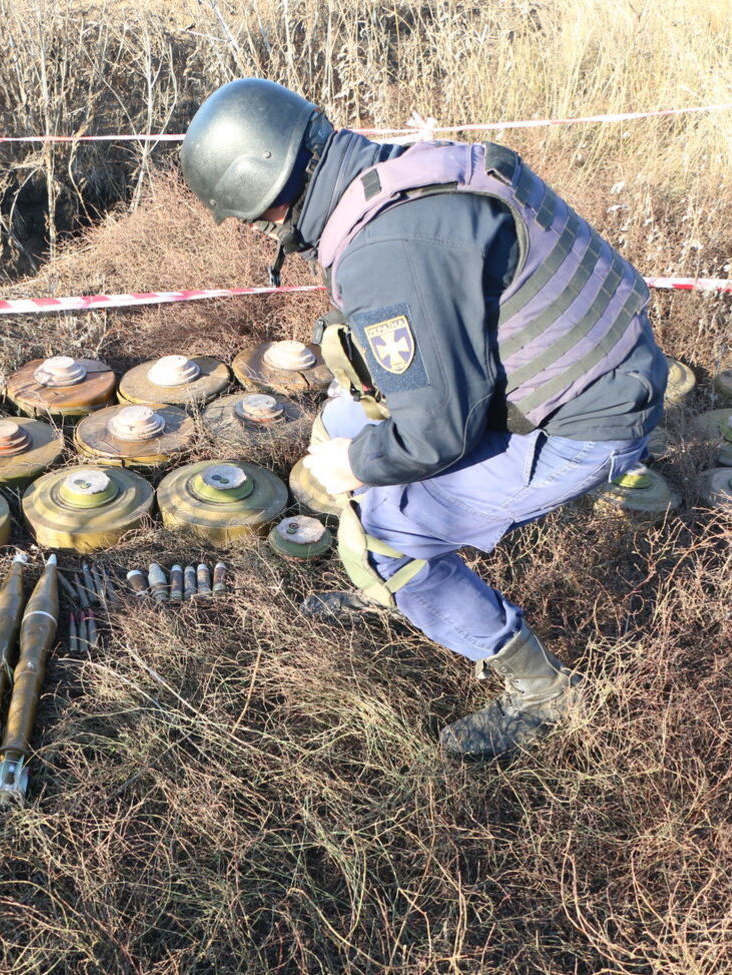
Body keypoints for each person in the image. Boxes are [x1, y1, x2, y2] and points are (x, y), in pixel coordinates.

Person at [180, 79, 667, 759]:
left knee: (388, 533)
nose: (259, 230)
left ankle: (541, 689)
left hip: (588, 419)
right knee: (343, 418)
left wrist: (352, 467)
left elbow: (437, 433)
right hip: (603, 362)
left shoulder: (386, 252)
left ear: (269, 202)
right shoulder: (391, 169)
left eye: (252, 218)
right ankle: (389, 592)